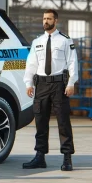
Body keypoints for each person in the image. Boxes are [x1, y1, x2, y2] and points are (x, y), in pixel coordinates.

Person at [22, 10, 78, 171]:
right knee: (40, 122)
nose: (46, 21)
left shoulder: (65, 41)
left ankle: (67, 158)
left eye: (49, 19)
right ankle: (40, 156)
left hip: (59, 85)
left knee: (63, 122)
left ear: (56, 21)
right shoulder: (37, 42)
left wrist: (71, 83)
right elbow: (31, 63)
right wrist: (28, 83)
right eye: (44, 19)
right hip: (41, 86)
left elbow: (73, 62)